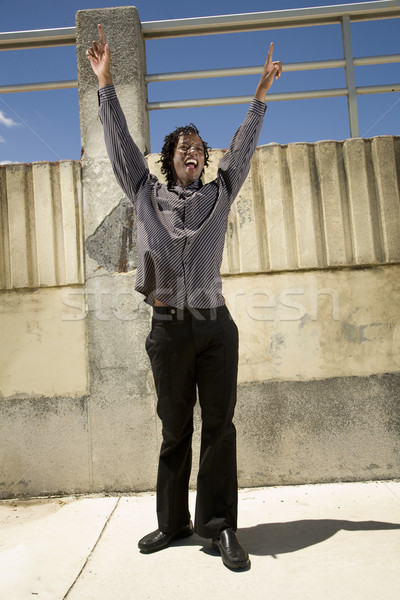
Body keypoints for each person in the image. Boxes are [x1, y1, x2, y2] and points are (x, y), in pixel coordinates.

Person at [86, 24, 281, 571]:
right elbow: (122, 145)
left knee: (219, 428)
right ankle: (171, 523)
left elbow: (241, 150)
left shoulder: (220, 195)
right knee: (175, 430)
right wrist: (105, 83)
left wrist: (259, 98)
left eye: (199, 149)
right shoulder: (145, 194)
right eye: (183, 148)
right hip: (168, 329)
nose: (192, 153)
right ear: (169, 158)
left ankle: (218, 528)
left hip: (216, 327)